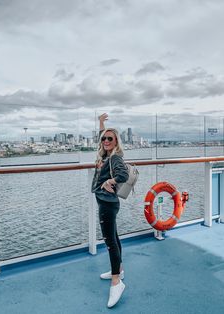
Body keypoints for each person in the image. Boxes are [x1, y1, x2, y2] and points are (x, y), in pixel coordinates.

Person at [91, 113, 129, 308]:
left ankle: (116, 282)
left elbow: (122, 174)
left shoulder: (114, 158)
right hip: (106, 201)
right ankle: (119, 269)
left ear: (116, 142)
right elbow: (102, 137)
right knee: (114, 236)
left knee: (110, 242)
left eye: (110, 139)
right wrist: (101, 124)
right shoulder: (106, 154)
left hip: (107, 203)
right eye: (104, 138)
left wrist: (109, 180)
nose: (106, 141)